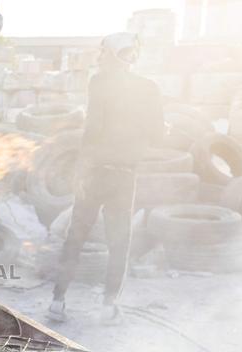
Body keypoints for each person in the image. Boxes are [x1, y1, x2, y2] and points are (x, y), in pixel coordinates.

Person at [48, 33, 163, 325]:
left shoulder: (100, 82)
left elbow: (93, 127)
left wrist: (81, 169)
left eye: (102, 53)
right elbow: (159, 134)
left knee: (76, 235)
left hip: (96, 171)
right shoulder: (149, 88)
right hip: (125, 176)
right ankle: (109, 307)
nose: (99, 58)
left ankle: (58, 302)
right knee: (119, 242)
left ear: (110, 54)